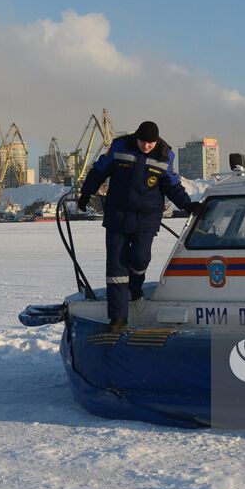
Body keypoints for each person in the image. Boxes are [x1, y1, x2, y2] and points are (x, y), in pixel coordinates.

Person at [78, 120, 196, 331]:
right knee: (116, 267)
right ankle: (118, 319)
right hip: (118, 216)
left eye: (151, 143)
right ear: (137, 137)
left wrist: (187, 205)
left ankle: (135, 287)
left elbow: (172, 185)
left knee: (140, 259)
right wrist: (86, 193)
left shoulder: (165, 155)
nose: (146, 146)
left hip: (146, 218)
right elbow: (99, 171)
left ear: (156, 141)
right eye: (143, 142)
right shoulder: (120, 147)